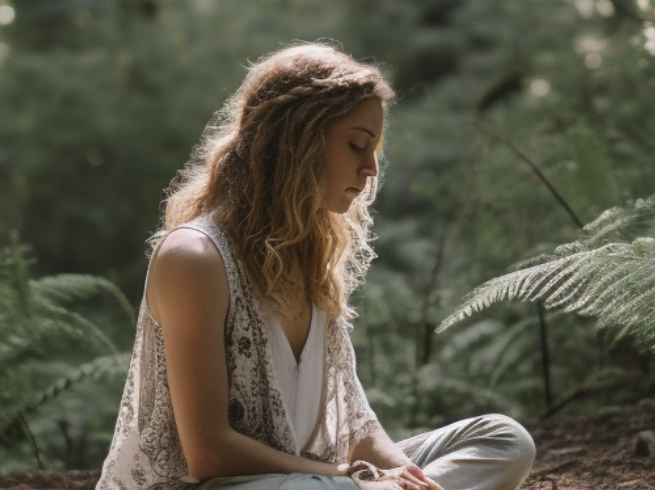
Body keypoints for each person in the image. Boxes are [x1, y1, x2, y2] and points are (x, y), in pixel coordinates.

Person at [97, 42, 535, 490]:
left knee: (504, 439)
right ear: (295, 142)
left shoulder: (311, 258)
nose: (370, 169)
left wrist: (406, 479)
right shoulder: (194, 258)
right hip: (218, 486)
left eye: (374, 150)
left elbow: (358, 425)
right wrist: (355, 479)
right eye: (357, 145)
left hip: (317, 479)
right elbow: (209, 453)